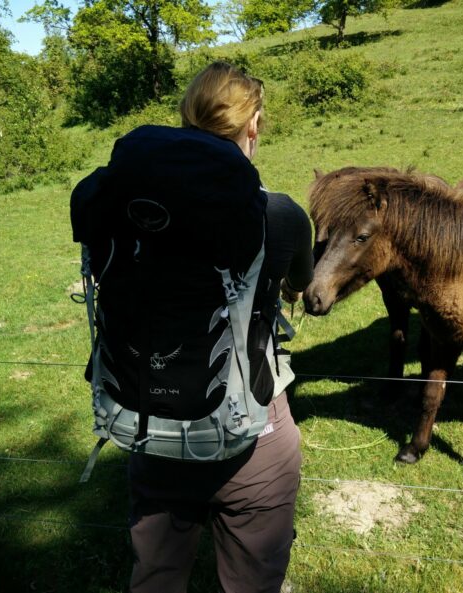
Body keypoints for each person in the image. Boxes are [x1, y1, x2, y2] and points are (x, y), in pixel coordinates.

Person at [127, 62, 314, 593]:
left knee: (156, 578)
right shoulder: (279, 214)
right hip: (254, 435)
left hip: (149, 420)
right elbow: (301, 284)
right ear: (253, 124)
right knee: (254, 581)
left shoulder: (130, 209)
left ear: (186, 115)